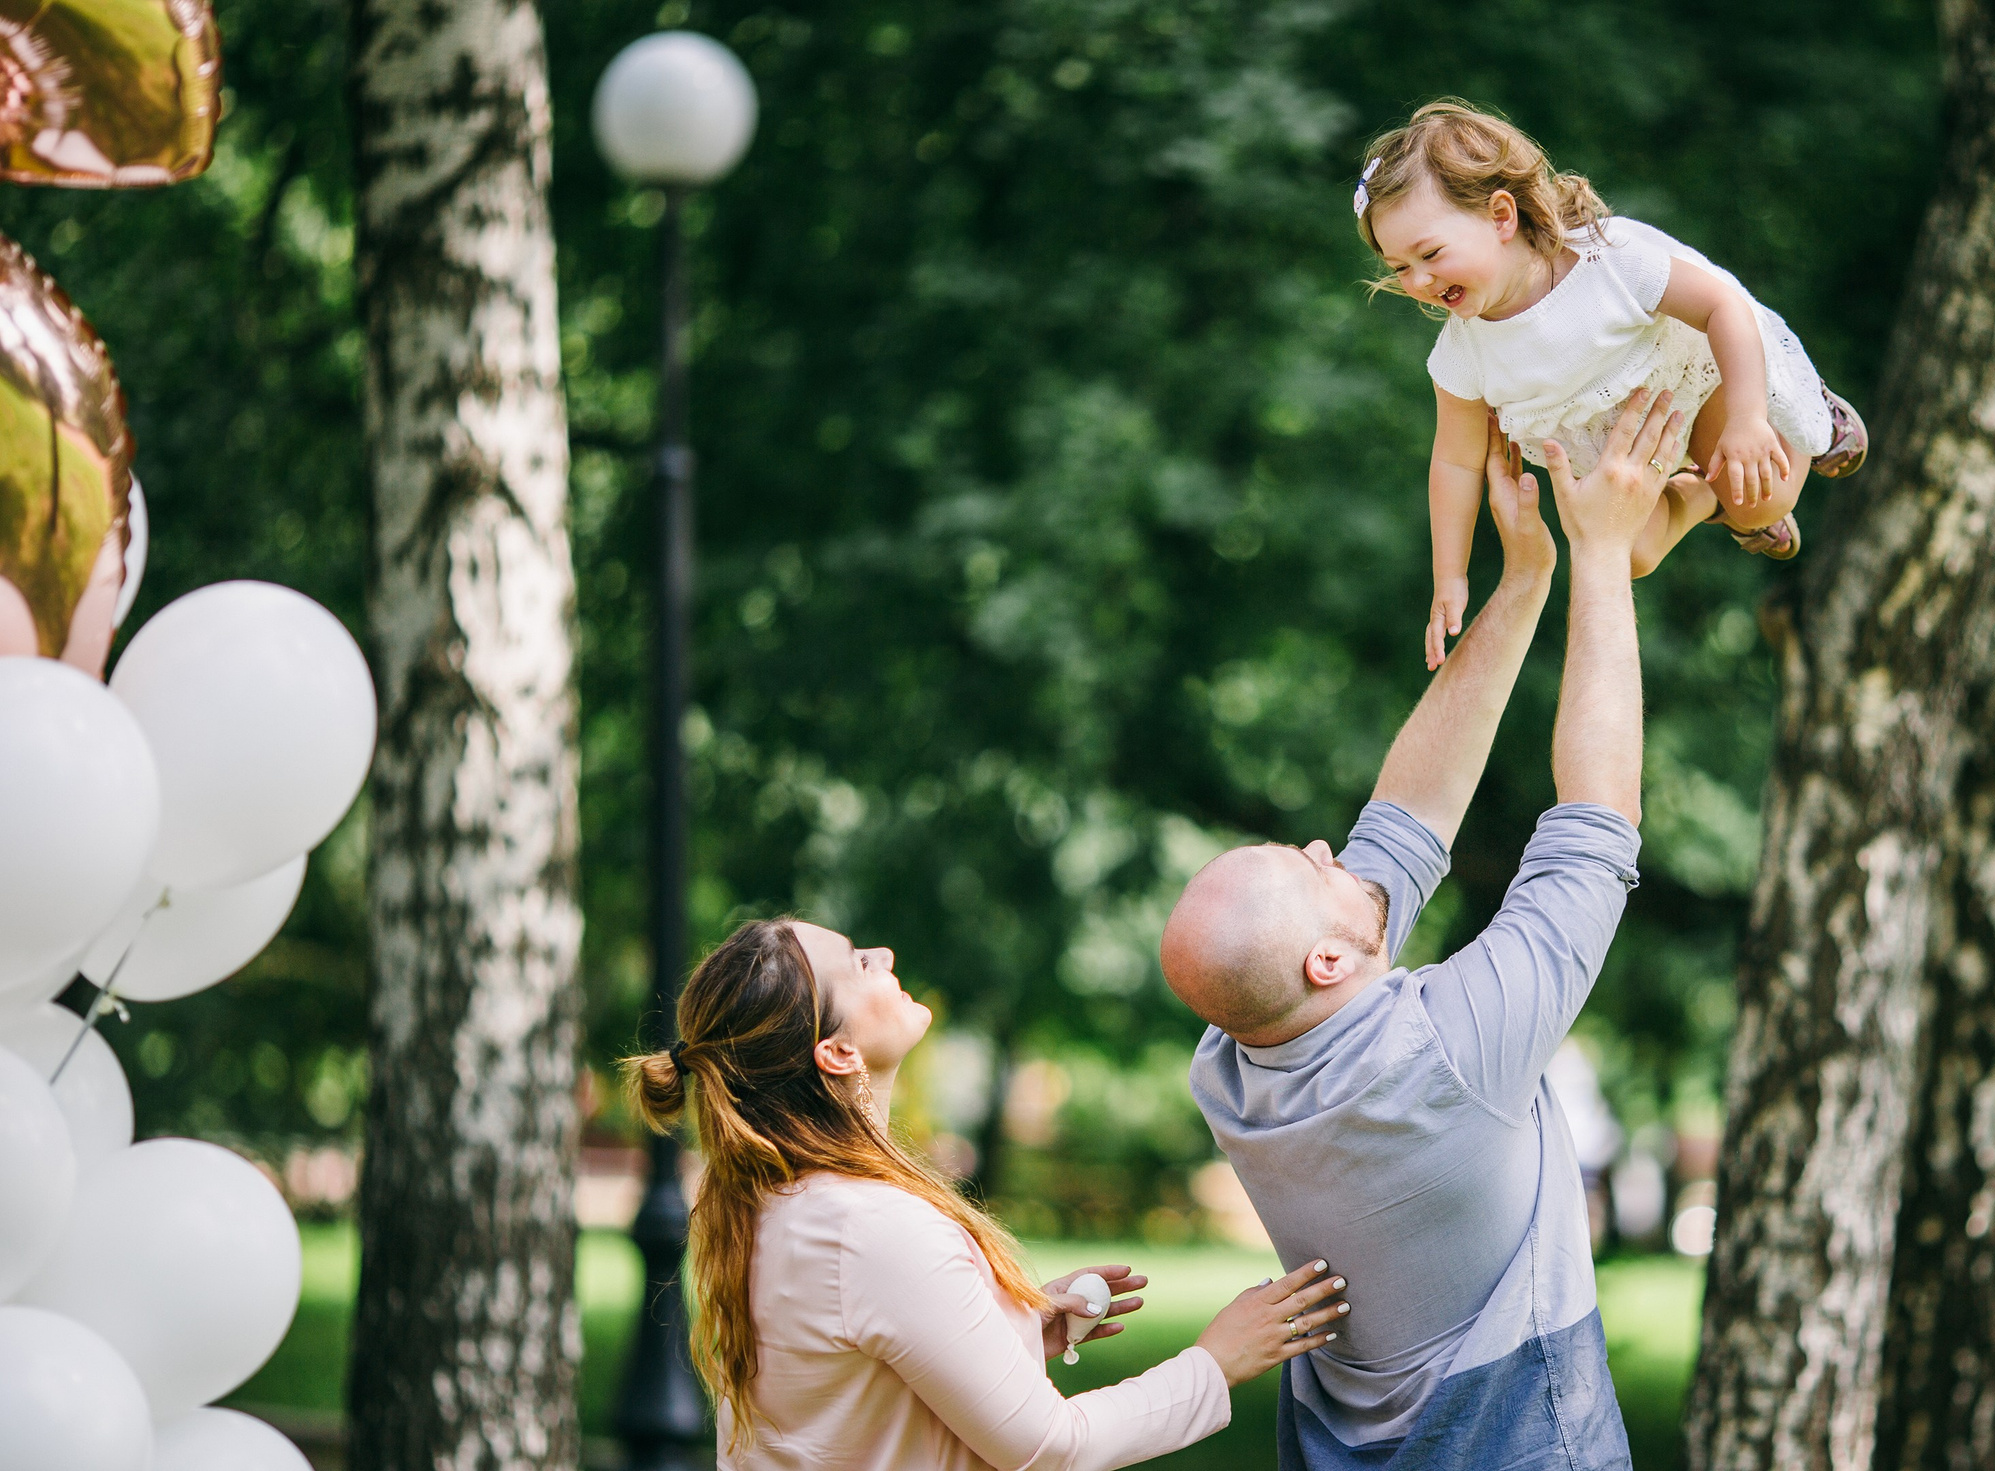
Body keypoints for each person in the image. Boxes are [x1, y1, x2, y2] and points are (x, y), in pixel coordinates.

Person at [1160, 389, 1682, 1469]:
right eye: (1304, 867)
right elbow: (1596, 819)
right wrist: (1597, 554)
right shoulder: (1444, 1053)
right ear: (1328, 958)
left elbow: (1406, 820)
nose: (1325, 849)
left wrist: (1523, 576)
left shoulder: (1237, 1061)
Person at [623, 917, 1353, 1470]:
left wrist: (1012, 1330)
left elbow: (856, 1393)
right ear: (837, 1052)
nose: (886, 958)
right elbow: (1049, 1448)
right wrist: (1214, 1361)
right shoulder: (868, 1225)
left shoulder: (787, 1205)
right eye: (857, 964)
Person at [1353, 99, 1868, 668]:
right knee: (1626, 554)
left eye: (1429, 254)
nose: (1419, 280)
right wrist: (1448, 575)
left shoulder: (1608, 265)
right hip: (1619, 442)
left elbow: (1723, 307)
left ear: (1501, 216)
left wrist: (1747, 418)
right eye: (1400, 267)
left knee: (1763, 501)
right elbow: (1454, 460)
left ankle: (1803, 406)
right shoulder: (1461, 355)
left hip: (1695, 383)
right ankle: (1703, 495)